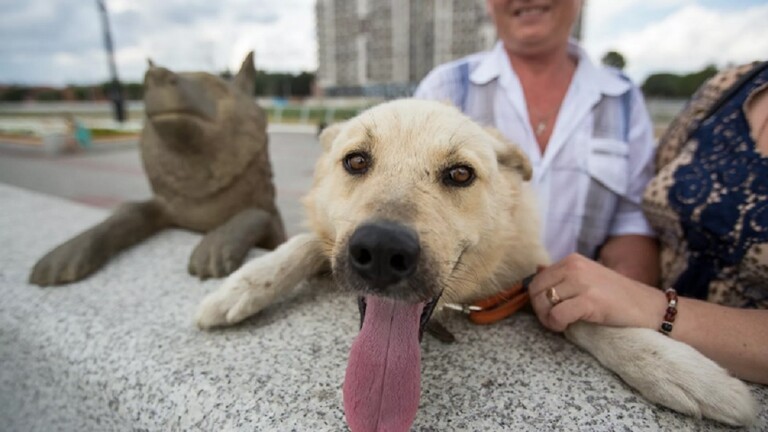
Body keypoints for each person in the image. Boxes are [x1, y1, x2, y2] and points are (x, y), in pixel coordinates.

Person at [528, 62, 768, 384]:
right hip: (638, 330)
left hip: (718, 368)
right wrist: (612, 290)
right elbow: (639, 210)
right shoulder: (728, 86)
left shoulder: (622, 93)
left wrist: (650, 306)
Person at [414, 0, 659, 286]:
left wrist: (615, 292)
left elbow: (631, 221)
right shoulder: (446, 86)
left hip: (581, 308)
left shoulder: (622, 99)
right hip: (471, 303)